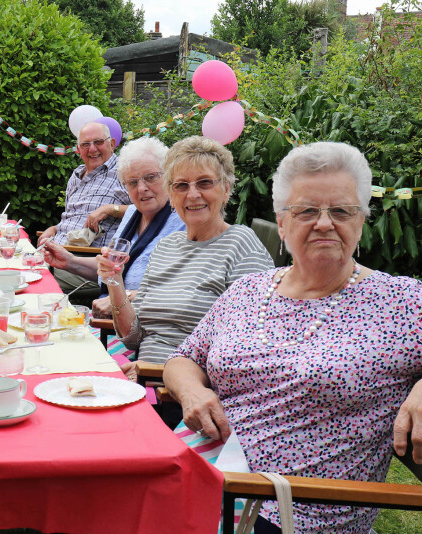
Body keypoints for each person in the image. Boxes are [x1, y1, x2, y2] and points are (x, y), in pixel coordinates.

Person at [163, 142, 422, 534]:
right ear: (282, 223)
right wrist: (192, 392)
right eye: (306, 211)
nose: (323, 223)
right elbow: (183, 358)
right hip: (201, 480)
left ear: (361, 220)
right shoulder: (247, 290)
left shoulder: (402, 301)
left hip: (289, 515)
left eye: (341, 210)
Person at [99, 136, 273, 367]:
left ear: (226, 189)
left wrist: (161, 375)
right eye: (181, 185)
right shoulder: (166, 246)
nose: (192, 194)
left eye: (204, 183)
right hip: (144, 377)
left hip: (182, 392)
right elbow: (133, 337)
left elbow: (245, 350)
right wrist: (114, 281)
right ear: (171, 195)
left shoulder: (241, 246)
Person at [41, 137, 185, 318]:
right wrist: (70, 261)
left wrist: (125, 298)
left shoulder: (182, 220)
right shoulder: (133, 213)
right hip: (111, 322)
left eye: (150, 177)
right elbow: (111, 269)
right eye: (132, 182)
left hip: (148, 329)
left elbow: (184, 289)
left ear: (168, 177)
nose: (141, 188)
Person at [36, 122, 132, 300]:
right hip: (56, 252)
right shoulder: (77, 174)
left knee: (32, 281)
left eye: (98, 142)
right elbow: (73, 218)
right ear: (78, 149)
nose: (92, 149)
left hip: (87, 262)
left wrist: (111, 209)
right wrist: (54, 229)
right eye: (86, 144)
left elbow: (148, 210)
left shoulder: (124, 172)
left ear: (112, 143)